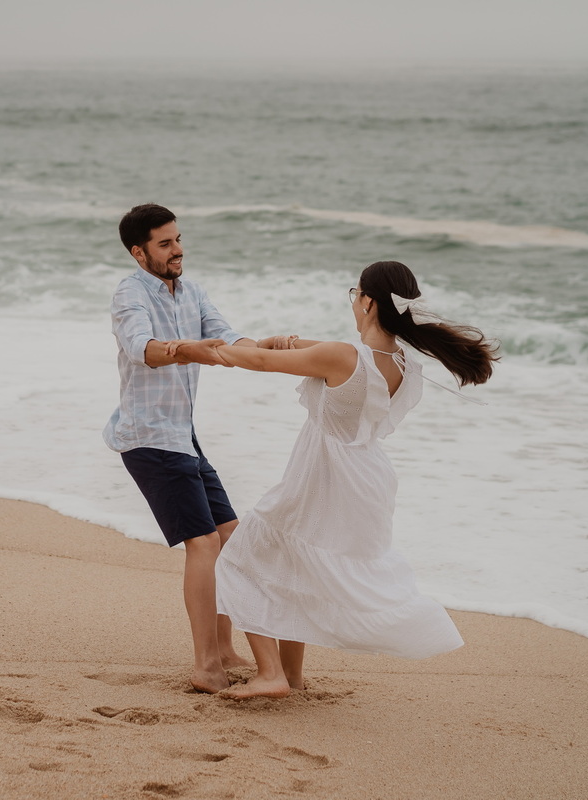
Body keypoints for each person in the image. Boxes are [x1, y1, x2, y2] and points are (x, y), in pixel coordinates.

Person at [193, 260, 499, 699]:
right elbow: (310, 351)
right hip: (366, 477)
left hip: (325, 474)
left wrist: (206, 350)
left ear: (369, 302)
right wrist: (288, 341)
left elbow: (261, 361)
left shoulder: (343, 356)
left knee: (241, 557)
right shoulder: (402, 362)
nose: (353, 303)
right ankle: (291, 677)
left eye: (355, 294)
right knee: (295, 566)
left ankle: (270, 673)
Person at [103, 203, 294, 693]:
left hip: (184, 439)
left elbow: (225, 337)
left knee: (231, 538)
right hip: (148, 438)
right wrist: (190, 350)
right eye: (165, 243)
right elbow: (142, 349)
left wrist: (263, 347)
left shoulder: (192, 292)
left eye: (179, 239)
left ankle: (226, 651)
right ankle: (206, 665)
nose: (178, 250)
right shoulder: (129, 294)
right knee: (204, 543)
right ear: (139, 252)